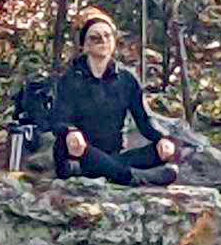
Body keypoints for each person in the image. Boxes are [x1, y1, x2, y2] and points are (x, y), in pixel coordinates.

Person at [48, 10, 179, 187]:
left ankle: (114, 171)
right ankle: (135, 177)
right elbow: (58, 119)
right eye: (95, 38)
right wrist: (70, 131)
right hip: (78, 154)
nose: (103, 41)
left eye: (107, 36)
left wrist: (162, 138)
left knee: (158, 151)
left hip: (112, 155)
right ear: (84, 45)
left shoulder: (127, 79)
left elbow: (144, 119)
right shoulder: (70, 79)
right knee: (79, 151)